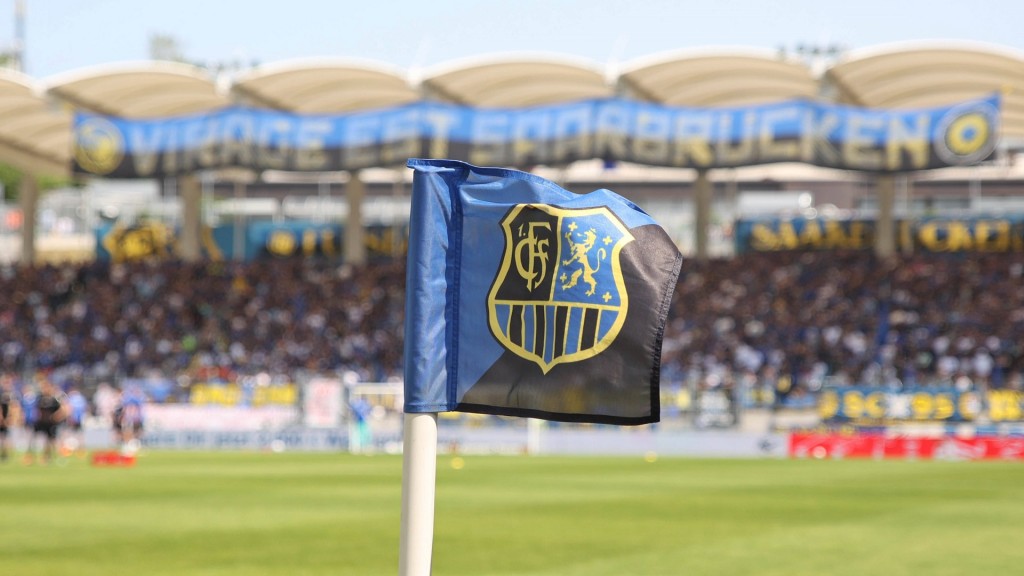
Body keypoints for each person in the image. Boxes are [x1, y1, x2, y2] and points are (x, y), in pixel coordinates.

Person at [27, 377, 68, 464]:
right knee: (33, 439)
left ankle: (47, 457)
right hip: (40, 422)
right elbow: (37, 410)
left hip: (50, 423)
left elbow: (62, 410)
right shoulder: (40, 398)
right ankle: (30, 456)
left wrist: (55, 417)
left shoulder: (54, 400)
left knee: (49, 441)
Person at [0, 374, 15, 462]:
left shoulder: (10, 396)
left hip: (6, 421)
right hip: (2, 420)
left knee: (6, 438)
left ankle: (5, 454)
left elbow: (12, 408)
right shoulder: (2, 395)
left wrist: (9, 418)